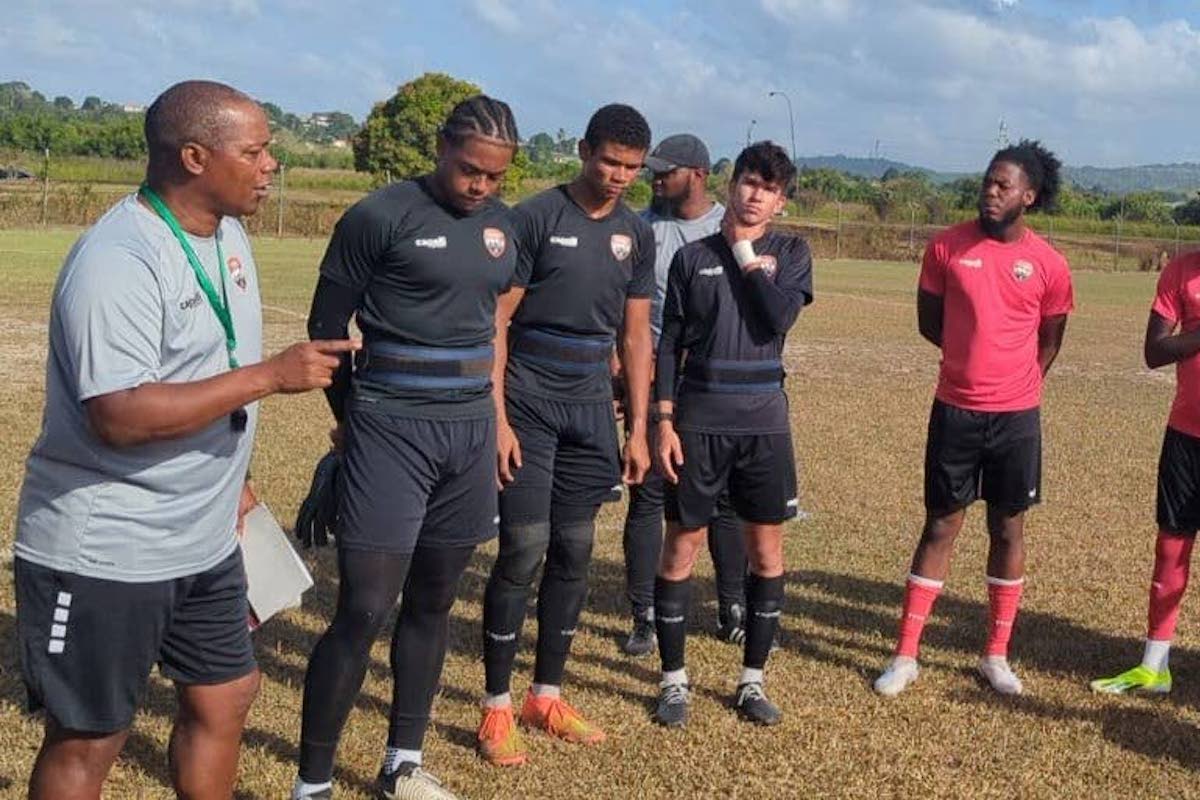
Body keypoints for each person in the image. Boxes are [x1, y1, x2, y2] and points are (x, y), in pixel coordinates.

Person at [13, 79, 355, 800]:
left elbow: (207, 369)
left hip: (202, 539)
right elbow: (121, 413)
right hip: (107, 547)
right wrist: (270, 377)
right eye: (256, 151)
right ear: (196, 156)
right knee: (89, 736)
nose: (271, 167)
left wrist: (237, 481)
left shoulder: (227, 235)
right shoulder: (120, 260)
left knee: (227, 694)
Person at [292, 96, 521, 800]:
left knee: (434, 601)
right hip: (390, 427)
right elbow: (327, 325)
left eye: (494, 176)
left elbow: (493, 326)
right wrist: (352, 418)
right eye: (469, 169)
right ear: (441, 148)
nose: (480, 185)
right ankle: (313, 785)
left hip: (468, 433)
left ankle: (402, 763)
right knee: (363, 608)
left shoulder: (504, 230)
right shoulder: (378, 216)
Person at [476, 104, 654, 767]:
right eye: (608, 161)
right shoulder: (534, 219)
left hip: (589, 408)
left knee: (575, 552)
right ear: (584, 150)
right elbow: (496, 322)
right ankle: (496, 707)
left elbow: (635, 337)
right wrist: (497, 417)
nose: (617, 177)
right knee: (524, 549)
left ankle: (544, 695)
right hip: (529, 400)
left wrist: (636, 428)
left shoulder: (637, 234)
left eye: (632, 168)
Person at [873, 140, 1073, 698]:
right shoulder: (945, 248)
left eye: (1003, 185)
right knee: (941, 524)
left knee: (1008, 528)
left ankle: (995, 655)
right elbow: (930, 323)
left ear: (1028, 197)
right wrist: (970, 363)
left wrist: (1019, 385)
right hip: (955, 409)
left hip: (1016, 419)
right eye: (988, 181)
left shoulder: (1050, 264)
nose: (990, 191)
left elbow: (1050, 339)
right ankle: (905, 655)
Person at [650, 140, 812, 728]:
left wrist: (746, 254)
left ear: (780, 200)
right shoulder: (691, 259)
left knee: (765, 553)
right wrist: (664, 420)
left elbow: (775, 319)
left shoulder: (793, 253)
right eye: (747, 181)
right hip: (698, 419)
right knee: (680, 548)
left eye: (767, 188)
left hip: (764, 422)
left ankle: (751, 681)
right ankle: (673, 683)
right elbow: (670, 342)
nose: (754, 194)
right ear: (729, 184)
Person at [618, 133, 750, 657]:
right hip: (651, 378)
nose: (653, 179)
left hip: (714, 383)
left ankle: (731, 607)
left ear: (696, 173)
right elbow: (621, 307)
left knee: (721, 498)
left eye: (664, 171)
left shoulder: (730, 227)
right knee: (649, 493)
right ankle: (643, 614)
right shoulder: (642, 227)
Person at [1090, 248, 1200, 695]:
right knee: (1170, 547)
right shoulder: (1181, 269)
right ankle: (1155, 666)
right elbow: (1154, 351)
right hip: (1186, 436)